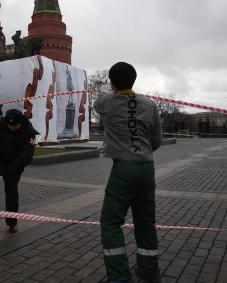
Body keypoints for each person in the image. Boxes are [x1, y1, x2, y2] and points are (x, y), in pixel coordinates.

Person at [94, 62, 162, 283]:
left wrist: (106, 89)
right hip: (146, 167)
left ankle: (119, 276)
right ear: (134, 79)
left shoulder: (106, 102)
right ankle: (149, 270)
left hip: (123, 167)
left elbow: (97, 103)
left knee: (111, 222)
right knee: (145, 220)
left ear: (112, 82)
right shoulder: (149, 104)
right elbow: (156, 140)